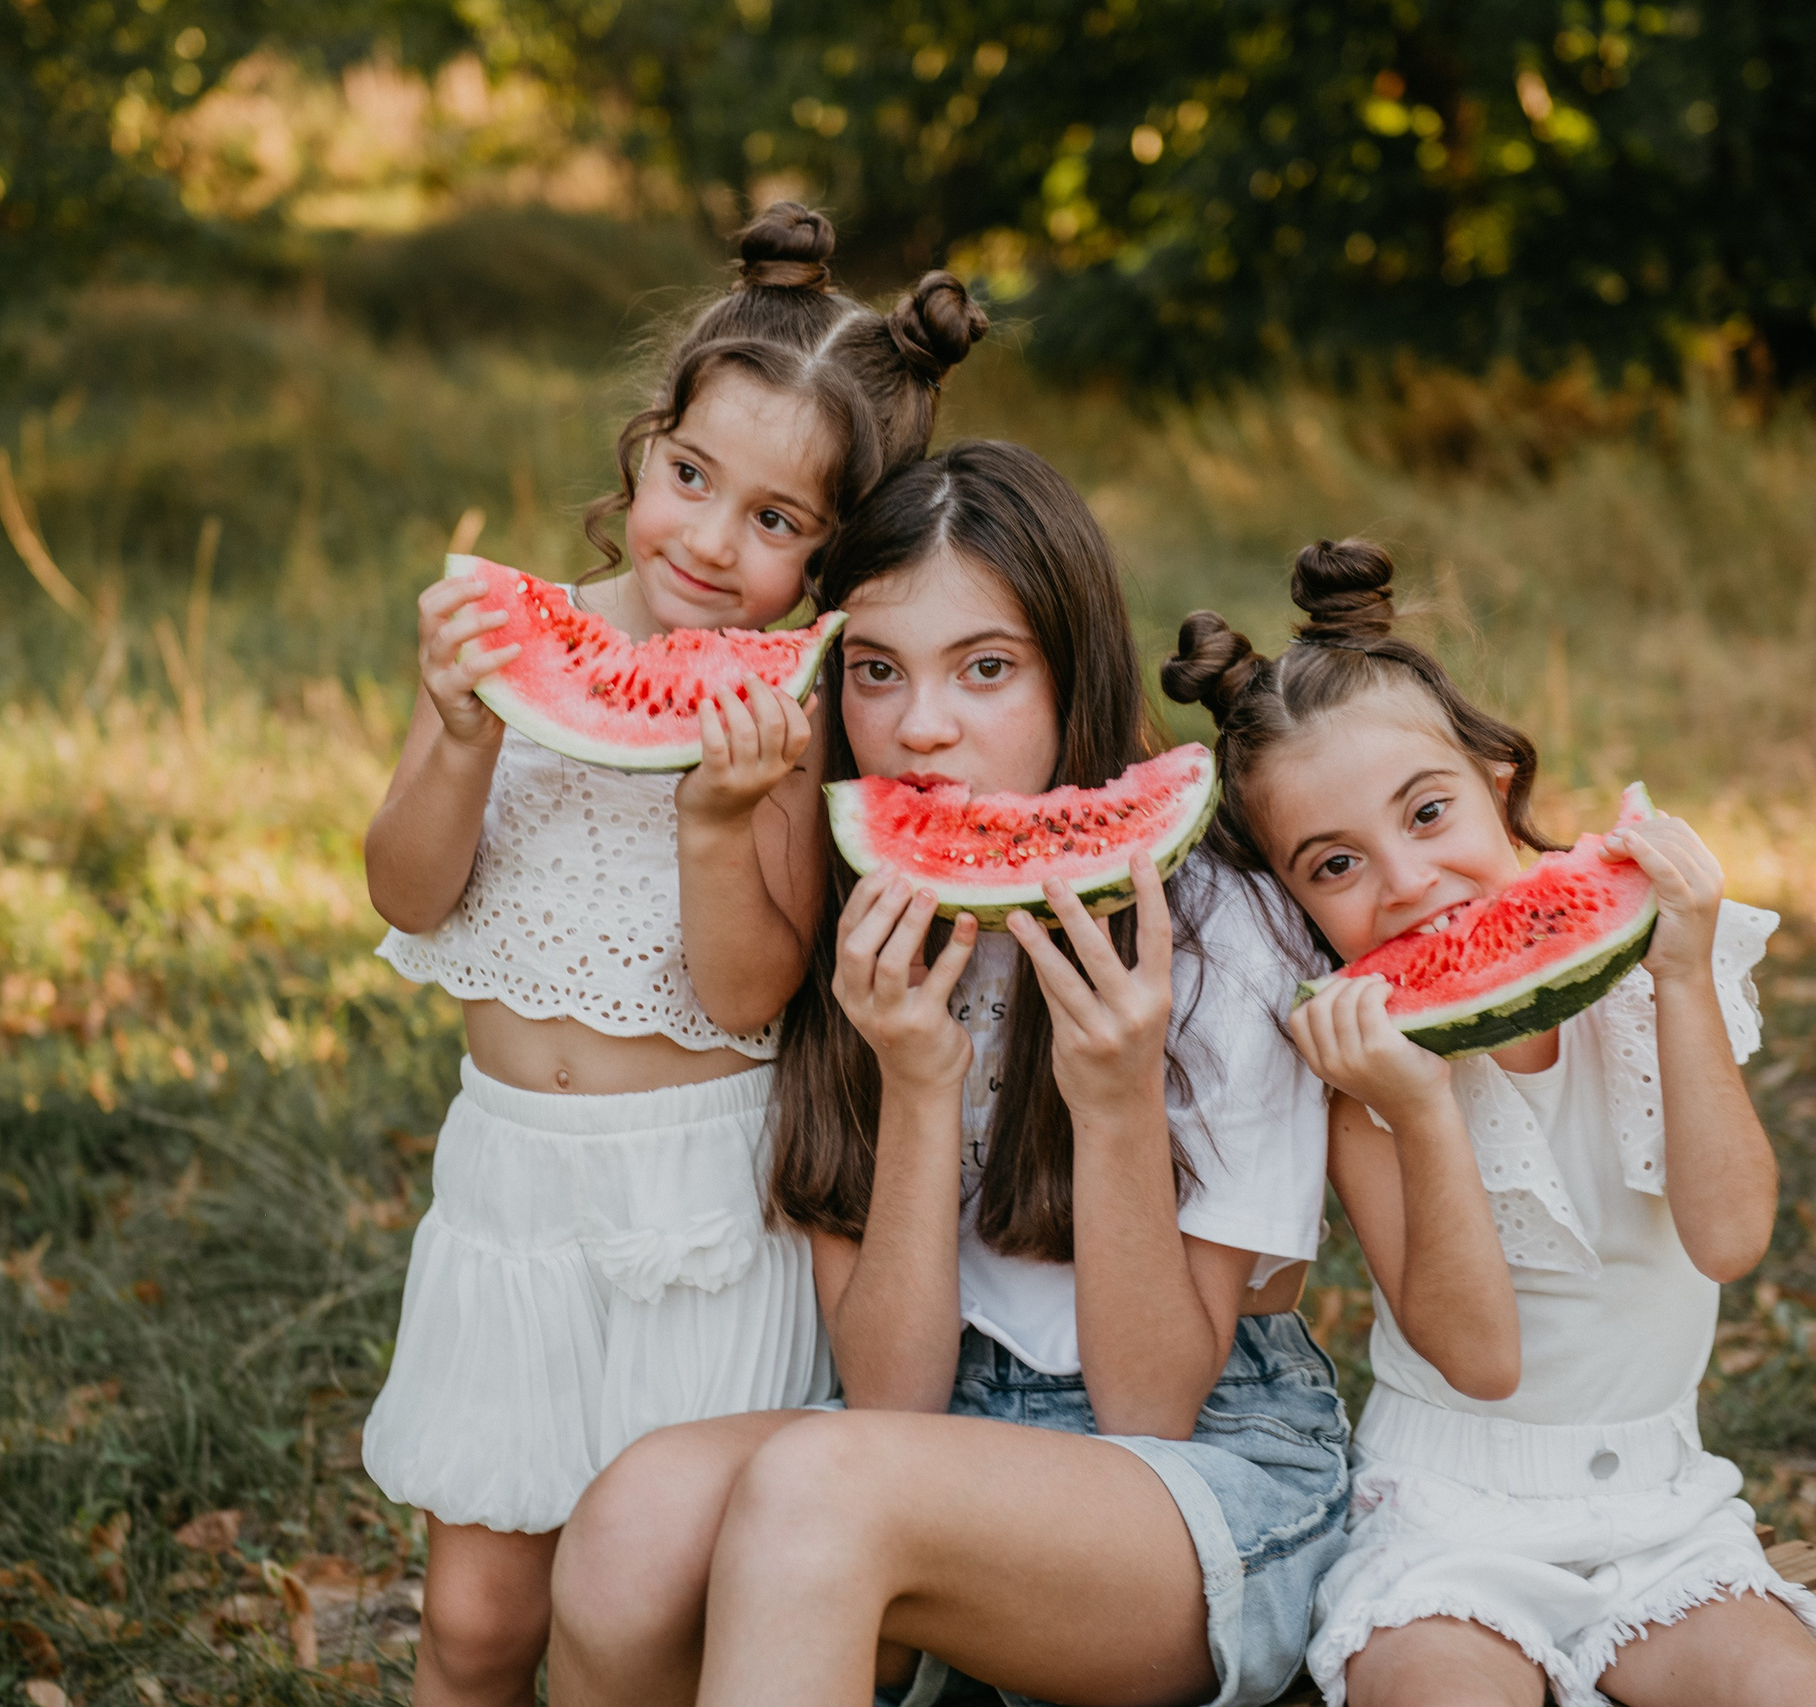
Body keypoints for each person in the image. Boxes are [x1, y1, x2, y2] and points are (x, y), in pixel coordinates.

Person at [546, 439, 1350, 1707]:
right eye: (875, 671)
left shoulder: (1218, 937)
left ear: (1074, 670)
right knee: (629, 1529)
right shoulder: (856, 917)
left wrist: (1114, 1098)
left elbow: (1151, 1403)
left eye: (985, 669)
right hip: (930, 1433)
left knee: (822, 1489)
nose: (920, 727)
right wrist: (916, 1087)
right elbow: (891, 1394)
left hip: (1202, 1466)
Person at [358, 203, 986, 1707]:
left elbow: (750, 993)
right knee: (473, 1627)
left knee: (644, 1625)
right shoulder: (517, 637)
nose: (707, 540)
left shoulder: (785, 715)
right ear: (646, 447)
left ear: (834, 558)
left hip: (704, 1210)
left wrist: (718, 819)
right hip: (511, 1199)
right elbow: (407, 890)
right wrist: (459, 733)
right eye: (691, 476)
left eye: (776, 521)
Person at [1162, 540, 1816, 1707]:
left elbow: (1730, 1236)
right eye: (1334, 865)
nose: (1405, 880)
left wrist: (1680, 978)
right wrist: (1419, 1110)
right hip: (1445, 1521)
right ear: (1295, 906)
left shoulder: (1651, 985)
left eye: (1427, 811)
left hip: (1664, 1514)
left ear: (1495, 784)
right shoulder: (1363, 1085)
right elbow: (1480, 1359)